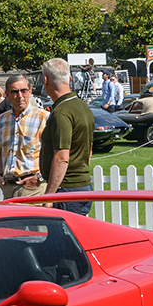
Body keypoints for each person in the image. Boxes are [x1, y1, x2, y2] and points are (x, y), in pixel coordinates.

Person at [39, 57, 95, 215]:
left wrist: (49, 197)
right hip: (83, 186)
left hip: (66, 191)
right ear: (69, 79)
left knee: (60, 239)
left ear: (45, 80)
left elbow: (61, 157)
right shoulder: (83, 107)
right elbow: (89, 150)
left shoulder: (61, 112)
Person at [0, 74, 49, 200]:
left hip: (34, 188)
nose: (20, 96)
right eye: (14, 92)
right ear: (7, 95)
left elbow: (55, 154)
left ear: (30, 92)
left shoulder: (44, 118)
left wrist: (38, 177)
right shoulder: (2, 120)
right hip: (8, 187)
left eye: (23, 91)